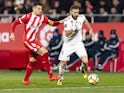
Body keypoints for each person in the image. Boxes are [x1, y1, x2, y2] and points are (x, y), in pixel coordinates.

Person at [10, 2, 63, 85]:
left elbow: (52, 23)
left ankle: (25, 80)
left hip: (34, 41)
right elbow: (15, 23)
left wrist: (61, 21)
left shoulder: (42, 17)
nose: (40, 10)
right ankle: (51, 75)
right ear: (33, 8)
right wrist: (12, 33)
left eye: (41, 9)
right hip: (28, 41)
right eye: (38, 9)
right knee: (45, 52)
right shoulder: (28, 17)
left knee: (33, 61)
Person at [57, 5, 93, 85]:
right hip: (68, 44)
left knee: (85, 61)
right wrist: (74, 29)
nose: (76, 14)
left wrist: (90, 29)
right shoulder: (67, 21)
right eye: (74, 12)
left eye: (77, 12)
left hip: (78, 44)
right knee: (63, 63)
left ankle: (82, 68)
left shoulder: (81, 17)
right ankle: (60, 77)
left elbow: (85, 21)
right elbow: (66, 34)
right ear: (71, 12)